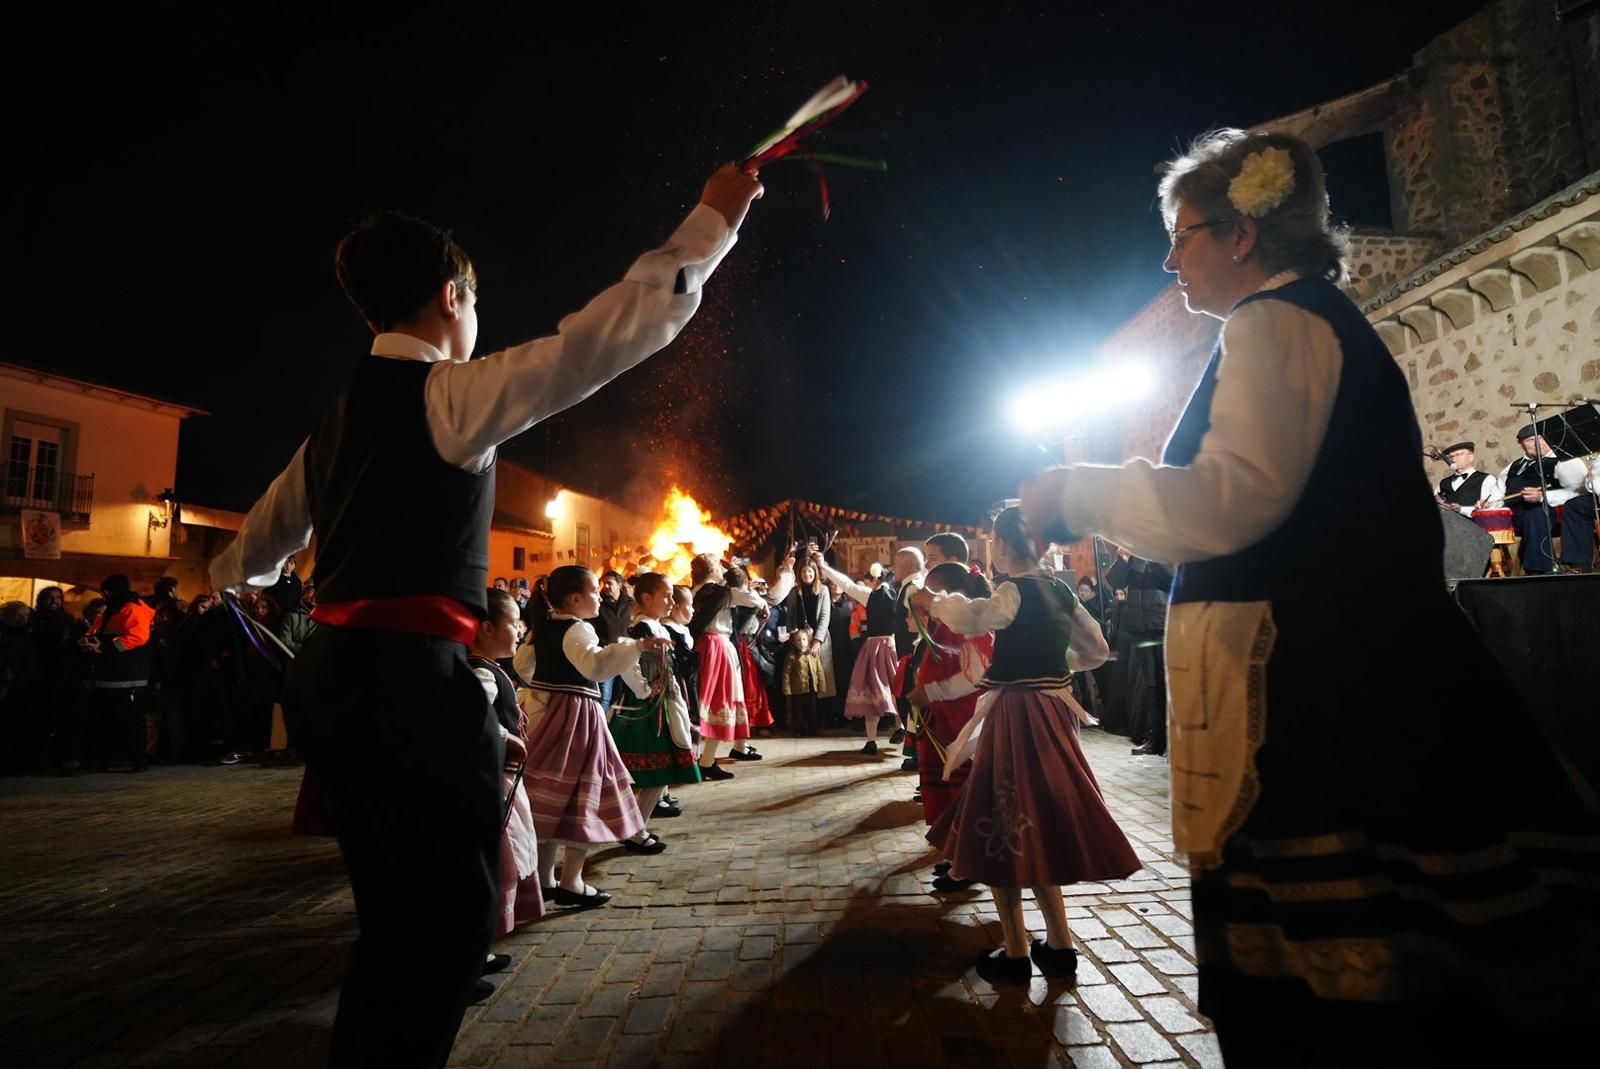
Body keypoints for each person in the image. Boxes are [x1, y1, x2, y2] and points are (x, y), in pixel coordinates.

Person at [1020, 128, 1600, 1066]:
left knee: (1346, 996)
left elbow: (1229, 498)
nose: (1170, 258)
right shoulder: (1292, 319)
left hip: (1328, 698)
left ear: (1244, 234)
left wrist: (1072, 490)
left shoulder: (1277, 322)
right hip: (1341, 678)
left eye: (1185, 234)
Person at [207, 162, 762, 1068]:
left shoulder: (336, 421)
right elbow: (593, 344)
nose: (477, 322)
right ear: (452, 295)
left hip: (334, 684)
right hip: (407, 688)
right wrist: (712, 224)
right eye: (474, 305)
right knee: (446, 923)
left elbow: (255, 551)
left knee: (395, 914)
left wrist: (230, 578)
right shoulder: (446, 395)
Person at [912, 508, 1136, 983]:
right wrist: (1056, 662)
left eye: (993, 539)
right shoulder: (1060, 589)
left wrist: (934, 601)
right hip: (1055, 712)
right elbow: (1095, 650)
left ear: (1003, 544)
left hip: (1017, 715)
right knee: (1044, 821)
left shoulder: (1011, 591)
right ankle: (1059, 945)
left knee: (1002, 821)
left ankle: (1016, 953)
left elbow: (976, 620)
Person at [903, 562, 995, 890]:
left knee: (964, 795)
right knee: (950, 793)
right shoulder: (948, 621)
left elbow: (976, 675)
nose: (926, 596)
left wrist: (932, 692)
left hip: (962, 720)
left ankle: (969, 863)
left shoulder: (969, 624)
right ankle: (958, 857)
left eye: (933, 589)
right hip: (944, 718)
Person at [466, 588, 540, 954]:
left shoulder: (490, 669)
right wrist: (506, 735)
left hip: (504, 779)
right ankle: (478, 944)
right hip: (495, 781)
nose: (520, 628)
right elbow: (472, 715)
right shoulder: (482, 673)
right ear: (487, 628)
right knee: (501, 854)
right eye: (513, 622)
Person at [606, 571, 698, 851]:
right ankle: (634, 830)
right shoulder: (640, 629)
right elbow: (628, 664)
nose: (671, 601)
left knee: (660, 774)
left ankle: (636, 828)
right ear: (646, 598)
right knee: (655, 772)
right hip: (646, 710)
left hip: (662, 704)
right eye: (666, 596)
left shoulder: (656, 627)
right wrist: (645, 690)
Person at [687, 553, 794, 778]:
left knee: (706, 703)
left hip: (702, 646)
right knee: (721, 701)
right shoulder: (719, 592)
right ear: (711, 569)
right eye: (718, 565)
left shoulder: (694, 591)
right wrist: (763, 602)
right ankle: (706, 762)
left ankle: (703, 758)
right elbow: (753, 599)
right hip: (718, 646)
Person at [813, 549, 919, 755]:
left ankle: (872, 740)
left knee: (872, 692)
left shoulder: (871, 596)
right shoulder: (901, 594)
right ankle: (901, 729)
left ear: (875, 580)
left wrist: (824, 567)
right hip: (893, 646)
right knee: (897, 688)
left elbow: (847, 585)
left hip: (873, 647)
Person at [1498, 426, 1594, 574]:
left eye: (1541, 438)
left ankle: (1540, 570)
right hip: (1515, 517)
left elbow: (1579, 492)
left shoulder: (1566, 460)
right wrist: (1487, 504)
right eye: (1530, 440)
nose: (1537, 443)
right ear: (1520, 444)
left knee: (1538, 513)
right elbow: (1498, 495)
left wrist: (1543, 497)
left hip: (1554, 515)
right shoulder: (1511, 467)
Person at [1433, 440, 1499, 517]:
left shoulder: (1487, 479)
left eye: (1458, 455)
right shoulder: (1443, 483)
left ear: (1471, 457)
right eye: (1451, 456)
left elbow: (1489, 509)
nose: (1454, 459)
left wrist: (1461, 509)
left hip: (1474, 527)